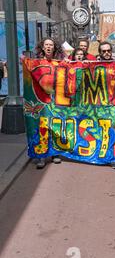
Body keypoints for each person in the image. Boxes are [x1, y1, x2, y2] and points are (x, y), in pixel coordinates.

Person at [34, 37, 65, 169]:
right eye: (46, 44)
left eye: (51, 45)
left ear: (54, 47)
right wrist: (24, 62)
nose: (48, 47)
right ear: (42, 47)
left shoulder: (60, 62)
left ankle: (55, 153)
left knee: (55, 126)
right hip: (41, 101)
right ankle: (41, 155)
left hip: (56, 101)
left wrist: (68, 63)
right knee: (43, 126)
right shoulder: (36, 62)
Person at [97, 41, 115, 169]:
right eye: (103, 51)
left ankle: (112, 158)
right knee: (100, 132)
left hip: (114, 106)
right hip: (96, 106)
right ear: (100, 53)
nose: (106, 53)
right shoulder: (92, 65)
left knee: (112, 131)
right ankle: (101, 155)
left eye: (108, 51)